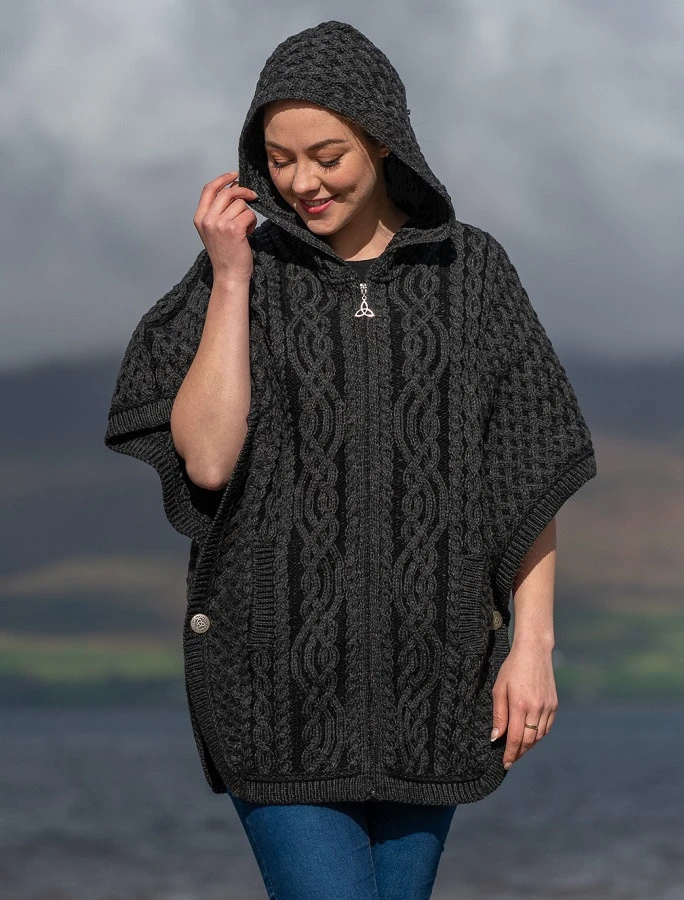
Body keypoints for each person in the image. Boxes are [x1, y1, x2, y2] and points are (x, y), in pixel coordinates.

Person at [104, 20, 597, 900]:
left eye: (326, 156)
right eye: (279, 159)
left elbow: (527, 468)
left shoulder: (471, 271)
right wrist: (230, 278)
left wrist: (534, 646)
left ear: (383, 140)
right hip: (272, 688)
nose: (302, 182)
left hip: (432, 688)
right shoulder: (243, 269)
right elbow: (208, 462)